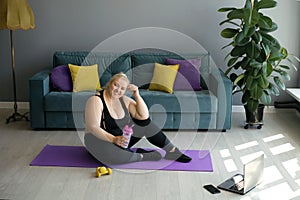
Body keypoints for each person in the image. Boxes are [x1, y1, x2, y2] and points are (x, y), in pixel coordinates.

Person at [84, 72, 192, 165]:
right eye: (116, 85)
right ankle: (143, 156)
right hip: (100, 142)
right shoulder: (95, 100)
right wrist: (113, 139)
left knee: (145, 124)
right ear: (109, 83)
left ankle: (172, 151)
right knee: (111, 157)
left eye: (122, 88)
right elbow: (93, 127)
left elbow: (144, 117)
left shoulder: (124, 100)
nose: (118, 90)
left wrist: (137, 95)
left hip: (121, 141)